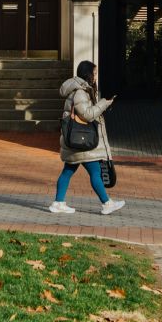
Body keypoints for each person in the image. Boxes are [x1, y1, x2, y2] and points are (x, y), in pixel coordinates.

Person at [49, 60, 124, 216]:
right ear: (87, 74)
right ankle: (106, 203)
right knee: (95, 172)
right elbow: (87, 114)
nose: (96, 76)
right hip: (81, 141)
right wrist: (104, 103)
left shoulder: (81, 89)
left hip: (76, 142)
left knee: (68, 171)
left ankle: (58, 203)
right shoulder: (80, 92)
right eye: (94, 73)